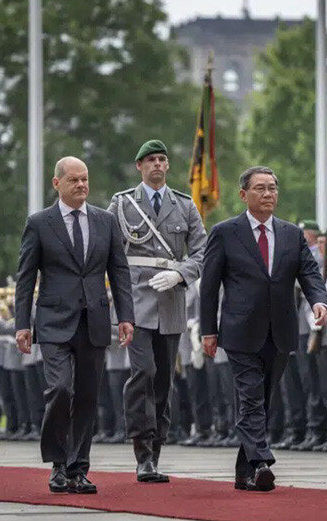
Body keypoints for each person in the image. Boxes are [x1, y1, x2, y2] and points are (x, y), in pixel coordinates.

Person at [200, 165, 327, 492]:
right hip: (240, 330)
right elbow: (210, 286)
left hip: (281, 329)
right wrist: (208, 330)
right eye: (260, 188)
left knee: (264, 400)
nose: (268, 194)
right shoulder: (225, 232)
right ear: (243, 195)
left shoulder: (291, 234)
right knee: (251, 397)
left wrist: (319, 301)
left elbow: (310, 272)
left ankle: (244, 472)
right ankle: (261, 462)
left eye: (272, 188)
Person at [14, 156, 135, 495]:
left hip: (94, 321)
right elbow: (25, 278)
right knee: (60, 389)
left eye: (85, 179)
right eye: (74, 180)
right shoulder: (39, 223)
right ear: (57, 184)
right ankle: (57, 463)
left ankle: (78, 468)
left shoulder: (105, 221)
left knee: (85, 396)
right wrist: (22, 324)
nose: (82, 185)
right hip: (53, 322)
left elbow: (119, 271)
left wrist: (125, 316)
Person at [107, 139, 206, 483]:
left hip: (170, 301)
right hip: (134, 301)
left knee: (164, 380)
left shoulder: (184, 205)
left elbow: (202, 251)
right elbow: (109, 253)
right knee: (143, 372)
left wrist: (181, 273)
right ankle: (142, 450)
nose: (158, 165)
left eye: (162, 159)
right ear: (139, 166)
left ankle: (157, 448)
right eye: (150, 160)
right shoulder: (121, 205)